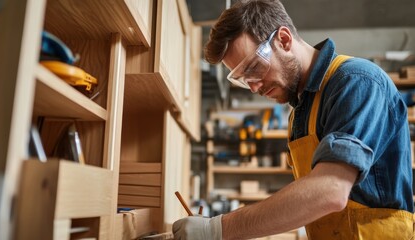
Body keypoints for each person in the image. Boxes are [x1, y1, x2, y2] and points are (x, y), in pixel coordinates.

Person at [172, 0, 415, 239]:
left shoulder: (357, 82)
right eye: (243, 80)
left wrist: (218, 228)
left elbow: (330, 190)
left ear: (284, 40)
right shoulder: (300, 113)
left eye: (254, 68)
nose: (254, 86)